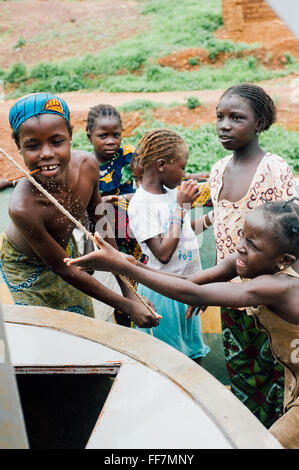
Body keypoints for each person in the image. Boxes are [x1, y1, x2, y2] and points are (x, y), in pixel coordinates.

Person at [64, 199, 299, 449]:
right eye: (243, 235)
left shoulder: (280, 287)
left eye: (252, 244)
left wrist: (120, 266)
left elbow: (193, 294)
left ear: (283, 260)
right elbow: (190, 282)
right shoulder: (249, 261)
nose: (240, 248)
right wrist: (131, 263)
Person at [0, 92, 159, 328]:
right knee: (44, 332)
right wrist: (126, 306)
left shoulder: (87, 166)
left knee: (82, 323)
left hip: (63, 252)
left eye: (56, 141)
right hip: (26, 266)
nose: (46, 153)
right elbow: (62, 267)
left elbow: (101, 228)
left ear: (71, 137)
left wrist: (129, 291)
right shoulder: (23, 207)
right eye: (33, 146)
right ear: (18, 148)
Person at [207, 83, 298, 427]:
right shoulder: (217, 171)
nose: (224, 125)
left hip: (269, 301)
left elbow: (291, 235)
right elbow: (222, 234)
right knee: (241, 378)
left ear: (259, 122)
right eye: (220, 117)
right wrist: (211, 286)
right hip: (231, 297)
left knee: (276, 380)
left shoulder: (274, 169)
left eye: (236, 118)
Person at [124, 128, 210, 362]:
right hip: (163, 294)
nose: (184, 174)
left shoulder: (171, 194)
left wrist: (212, 218)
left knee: (192, 356)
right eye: (182, 167)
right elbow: (162, 253)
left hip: (186, 289)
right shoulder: (141, 204)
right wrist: (181, 207)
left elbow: (183, 230)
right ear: (162, 165)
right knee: (169, 361)